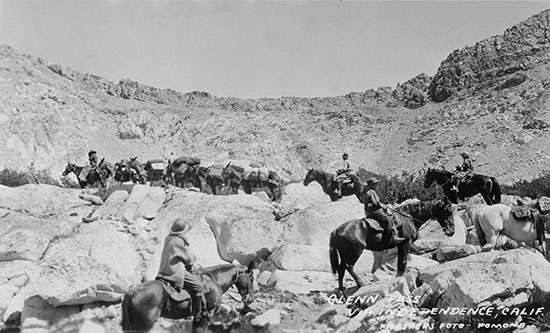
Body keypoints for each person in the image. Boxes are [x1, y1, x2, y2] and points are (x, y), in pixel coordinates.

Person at [156, 218, 206, 325]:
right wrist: (194, 258)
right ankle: (198, 315)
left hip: (164, 269)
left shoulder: (168, 237)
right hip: (174, 271)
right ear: (182, 230)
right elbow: (188, 259)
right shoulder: (181, 240)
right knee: (198, 286)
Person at [363, 177, 406, 245]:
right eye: (375, 184)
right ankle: (392, 237)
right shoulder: (371, 192)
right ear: (371, 185)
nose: (377, 185)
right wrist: (384, 206)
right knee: (388, 219)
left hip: (369, 210)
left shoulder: (368, 192)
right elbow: (376, 203)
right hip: (374, 211)